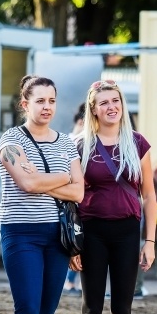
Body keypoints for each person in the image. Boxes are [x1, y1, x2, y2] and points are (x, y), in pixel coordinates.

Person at [0, 75, 83, 314]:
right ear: (25, 104)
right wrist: (63, 178)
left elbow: (79, 192)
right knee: (27, 310)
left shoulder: (66, 143)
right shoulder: (12, 139)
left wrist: (44, 179)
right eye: (40, 101)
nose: (47, 107)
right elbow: (26, 184)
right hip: (21, 233)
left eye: (51, 101)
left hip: (56, 235)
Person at [68, 80, 157, 314]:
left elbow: (149, 196)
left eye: (115, 101)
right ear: (93, 109)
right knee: (91, 308)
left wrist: (149, 241)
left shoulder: (137, 143)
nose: (111, 107)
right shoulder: (80, 145)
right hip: (91, 231)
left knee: (122, 308)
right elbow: (70, 197)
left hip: (127, 232)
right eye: (104, 102)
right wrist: (73, 245)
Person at [63, 104, 85, 296]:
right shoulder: (70, 143)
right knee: (72, 241)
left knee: (77, 242)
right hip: (70, 204)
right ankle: (69, 282)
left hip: (79, 201)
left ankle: (72, 281)